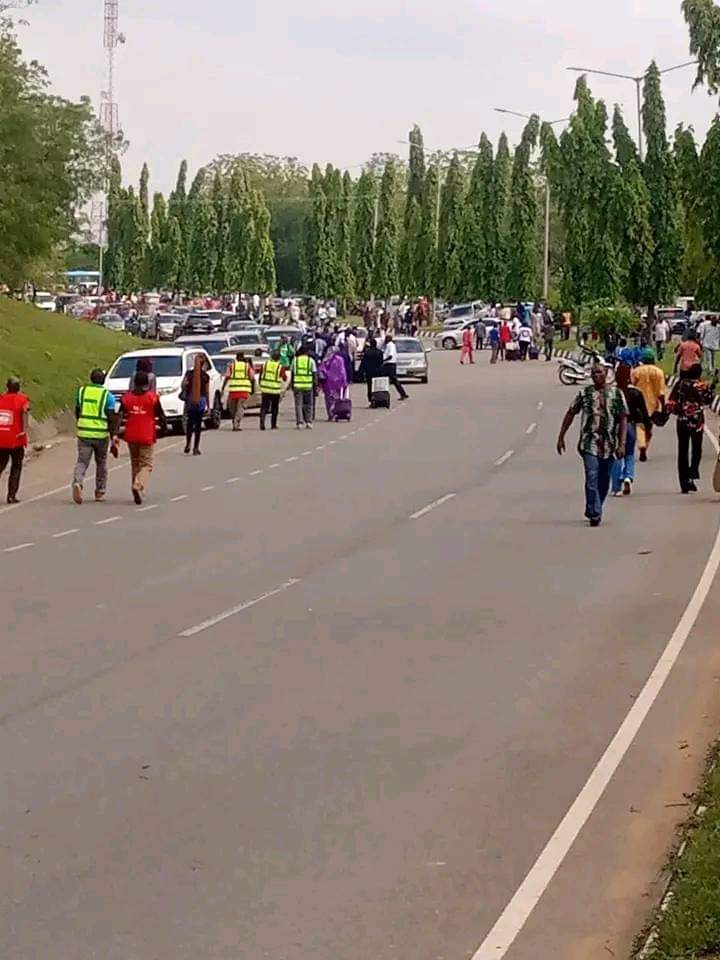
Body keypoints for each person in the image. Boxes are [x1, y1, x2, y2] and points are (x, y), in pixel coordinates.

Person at [557, 363, 628, 527]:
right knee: (592, 476)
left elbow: (624, 418)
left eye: (599, 373)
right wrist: (561, 436)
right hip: (589, 443)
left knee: (604, 480)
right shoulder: (585, 393)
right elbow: (571, 412)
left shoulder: (616, 394)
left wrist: (622, 443)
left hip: (610, 443)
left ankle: (596, 505)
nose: (596, 376)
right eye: (594, 373)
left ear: (606, 374)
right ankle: (594, 512)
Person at [118, 370, 167, 504]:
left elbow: (120, 415)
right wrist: (164, 428)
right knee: (146, 464)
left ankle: (136, 487)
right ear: (147, 383)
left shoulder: (126, 398)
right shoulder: (152, 398)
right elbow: (161, 416)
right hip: (146, 434)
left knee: (135, 462)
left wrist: (116, 433)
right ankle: (138, 485)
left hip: (131, 434)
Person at [72, 368, 119, 504]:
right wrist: (113, 435)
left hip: (84, 432)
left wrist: (82, 423)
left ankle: (78, 482)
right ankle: (100, 491)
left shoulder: (82, 392)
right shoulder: (107, 396)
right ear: (103, 380)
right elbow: (111, 417)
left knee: (82, 461)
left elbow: (77, 411)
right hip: (100, 434)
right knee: (101, 463)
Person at [667, 364, 715, 493]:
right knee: (697, 449)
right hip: (697, 422)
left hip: (682, 422)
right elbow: (708, 401)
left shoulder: (680, 384)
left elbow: (671, 403)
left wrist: (680, 410)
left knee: (682, 451)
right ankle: (692, 473)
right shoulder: (701, 386)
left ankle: (684, 482)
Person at [610, 362, 651, 497]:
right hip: (631, 425)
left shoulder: (612, 392)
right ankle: (628, 476)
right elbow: (644, 413)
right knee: (629, 454)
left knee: (617, 455)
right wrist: (647, 426)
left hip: (615, 426)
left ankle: (616, 487)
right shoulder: (636, 392)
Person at [631, 348, 666, 462]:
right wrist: (664, 406)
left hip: (638, 404)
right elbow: (661, 393)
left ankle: (642, 446)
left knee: (640, 426)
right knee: (649, 429)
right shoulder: (659, 372)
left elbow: (631, 387)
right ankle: (644, 446)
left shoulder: (636, 371)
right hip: (652, 405)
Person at [0, 377, 30, 504]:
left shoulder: (1, 398)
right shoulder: (22, 399)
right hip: (16, 439)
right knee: (16, 466)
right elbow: (25, 411)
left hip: (1, 439)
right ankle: (11, 495)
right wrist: (24, 430)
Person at [181, 355, 210, 455]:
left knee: (189, 423)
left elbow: (184, 384)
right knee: (198, 425)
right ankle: (196, 448)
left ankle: (188, 443)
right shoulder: (205, 376)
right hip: (201, 401)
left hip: (190, 400)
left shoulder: (189, 374)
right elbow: (206, 392)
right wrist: (208, 406)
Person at [224, 351, 255, 431]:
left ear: (236, 358)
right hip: (244, 390)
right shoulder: (247, 366)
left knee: (233, 408)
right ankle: (236, 423)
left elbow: (227, 377)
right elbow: (252, 378)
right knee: (240, 408)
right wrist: (252, 389)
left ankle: (234, 423)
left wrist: (223, 387)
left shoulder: (231, 366)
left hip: (233, 390)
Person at [259, 349, 287, 430]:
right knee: (274, 408)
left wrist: (261, 383)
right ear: (279, 358)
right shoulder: (279, 366)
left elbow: (261, 375)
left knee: (264, 407)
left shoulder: (265, 364)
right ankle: (273, 424)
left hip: (265, 389)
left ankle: (262, 422)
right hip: (275, 390)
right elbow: (284, 378)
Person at [318, 345, 348, 420]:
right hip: (338, 382)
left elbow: (321, 371)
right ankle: (336, 412)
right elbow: (342, 371)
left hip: (328, 383)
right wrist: (344, 382)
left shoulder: (325, 360)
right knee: (337, 398)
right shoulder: (340, 359)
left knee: (328, 399)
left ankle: (330, 414)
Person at [291, 344, 317, 429]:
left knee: (298, 405)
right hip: (308, 385)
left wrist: (292, 385)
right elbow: (314, 374)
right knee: (308, 404)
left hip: (297, 385)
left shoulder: (295, 361)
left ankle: (299, 423)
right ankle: (309, 422)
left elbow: (292, 374)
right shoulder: (311, 361)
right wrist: (315, 386)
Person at [358, 336, 385, 404]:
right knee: (377, 386)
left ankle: (370, 399)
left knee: (369, 386)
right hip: (377, 372)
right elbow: (381, 362)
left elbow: (363, 362)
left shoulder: (367, 353)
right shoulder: (380, 352)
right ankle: (377, 398)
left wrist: (360, 371)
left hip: (369, 372)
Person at [382, 335, 409, 400]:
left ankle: (403, 394)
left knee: (390, 380)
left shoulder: (390, 345)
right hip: (389, 364)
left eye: (386, 339)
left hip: (389, 364)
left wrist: (383, 360)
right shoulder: (389, 345)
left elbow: (390, 356)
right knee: (392, 380)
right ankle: (402, 394)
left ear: (388, 339)